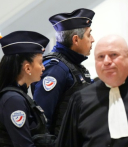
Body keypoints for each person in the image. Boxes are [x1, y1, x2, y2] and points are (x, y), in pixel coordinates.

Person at [31, 8, 95, 136]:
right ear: (76, 40)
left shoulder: (74, 66)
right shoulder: (56, 69)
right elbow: (42, 123)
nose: (92, 39)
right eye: (89, 35)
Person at [0, 31, 50, 147]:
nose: (43, 67)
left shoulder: (18, 97)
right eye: (40, 63)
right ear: (27, 68)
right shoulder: (13, 100)